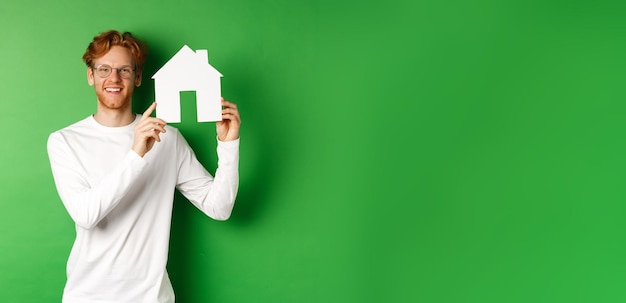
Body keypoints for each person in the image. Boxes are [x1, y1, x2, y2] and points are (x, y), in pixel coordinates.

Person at [47, 30, 241, 303]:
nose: (113, 79)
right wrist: (136, 154)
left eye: (124, 70)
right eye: (104, 69)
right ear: (90, 75)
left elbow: (219, 208)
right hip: (88, 296)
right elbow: (86, 215)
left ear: (137, 77)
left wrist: (228, 145)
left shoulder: (168, 139)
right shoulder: (65, 141)